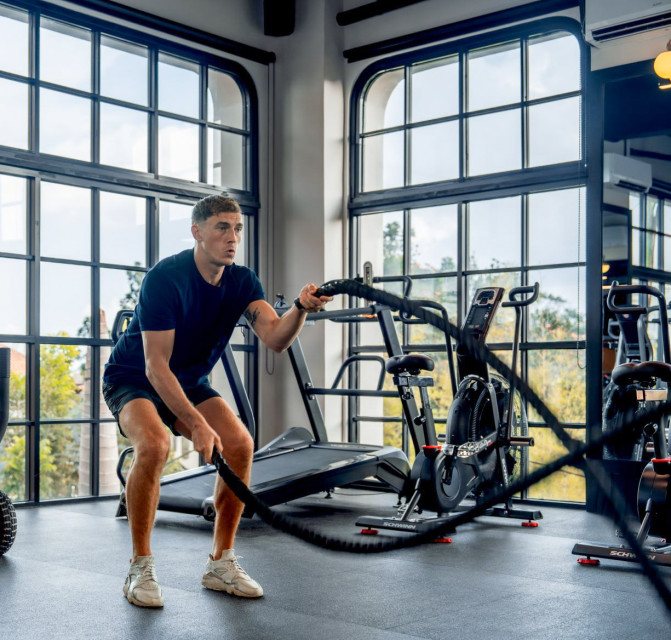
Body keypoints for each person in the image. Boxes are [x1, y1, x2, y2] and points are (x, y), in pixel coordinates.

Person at [102, 195, 331, 608]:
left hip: (189, 380)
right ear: (197, 232)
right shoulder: (165, 278)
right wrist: (196, 424)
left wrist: (300, 308)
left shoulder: (242, 281)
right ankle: (140, 565)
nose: (233, 238)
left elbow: (276, 338)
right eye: (222, 227)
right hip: (134, 377)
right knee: (154, 444)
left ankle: (220, 563)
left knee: (240, 444)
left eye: (238, 228)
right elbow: (156, 367)